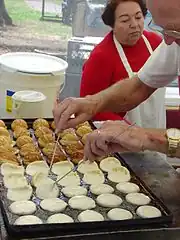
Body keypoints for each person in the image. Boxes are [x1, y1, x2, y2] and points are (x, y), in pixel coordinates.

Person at [53, 0, 180, 161]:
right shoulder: (174, 44)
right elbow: (138, 87)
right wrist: (92, 103)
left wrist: (146, 137)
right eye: (162, 28)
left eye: (176, 30)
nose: (167, 40)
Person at [80, 0, 165, 129]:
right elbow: (90, 107)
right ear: (112, 25)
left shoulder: (156, 43)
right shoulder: (101, 56)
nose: (134, 25)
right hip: (119, 137)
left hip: (156, 127)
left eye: (138, 17)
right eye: (125, 20)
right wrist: (129, 130)